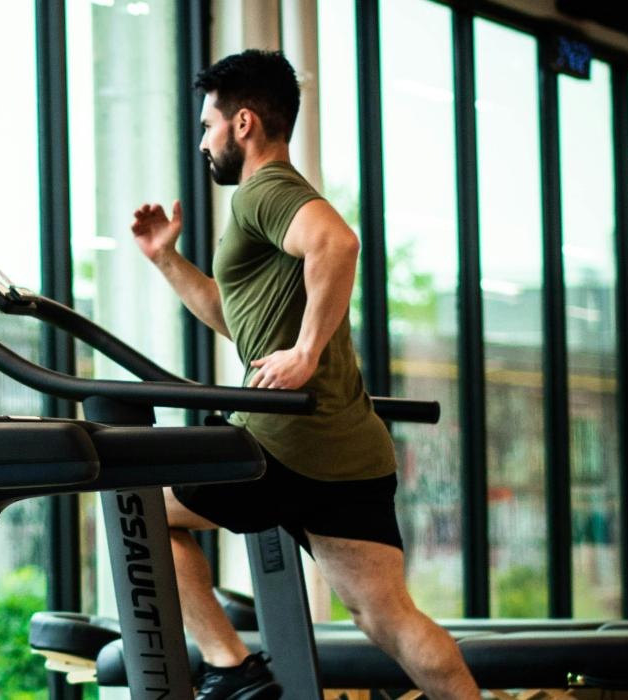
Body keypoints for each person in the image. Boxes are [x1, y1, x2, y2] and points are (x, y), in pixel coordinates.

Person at [130, 49, 481, 700]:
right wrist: (165, 258)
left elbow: (337, 243)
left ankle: (231, 668)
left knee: (142, 508)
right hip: (348, 449)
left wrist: (306, 354)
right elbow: (240, 319)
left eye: (208, 127)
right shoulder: (271, 202)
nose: (204, 143)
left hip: (279, 443)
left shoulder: (267, 190)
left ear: (242, 124)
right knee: (390, 618)